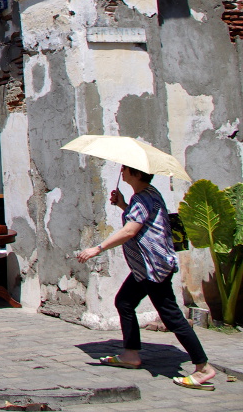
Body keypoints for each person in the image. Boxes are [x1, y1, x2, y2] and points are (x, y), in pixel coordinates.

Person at [77, 164, 215, 390]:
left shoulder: (142, 198)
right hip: (145, 269)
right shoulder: (145, 195)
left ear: (136, 173)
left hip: (154, 269)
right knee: (124, 302)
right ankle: (131, 354)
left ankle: (203, 367)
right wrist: (123, 205)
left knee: (172, 316)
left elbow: (130, 231)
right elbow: (142, 221)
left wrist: (98, 248)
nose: (121, 172)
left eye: (125, 168)